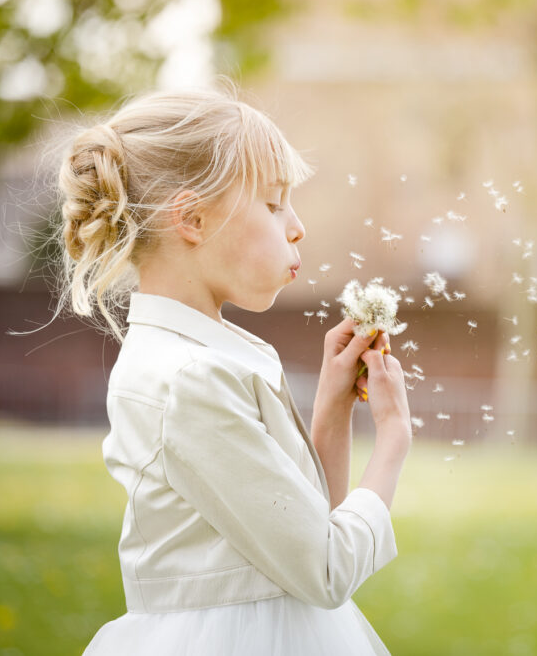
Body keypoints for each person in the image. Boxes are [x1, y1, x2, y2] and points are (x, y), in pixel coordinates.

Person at [54, 84, 412, 655]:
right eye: (273, 205)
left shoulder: (218, 354)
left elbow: (303, 525)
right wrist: (393, 438)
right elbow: (324, 570)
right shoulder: (187, 380)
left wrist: (333, 407)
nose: (297, 227)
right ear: (193, 219)